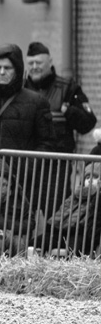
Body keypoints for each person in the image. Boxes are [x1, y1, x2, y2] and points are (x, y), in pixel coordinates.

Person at [24, 41, 97, 217]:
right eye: (31, 63)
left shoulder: (68, 88)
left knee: (54, 212)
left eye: (39, 63)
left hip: (56, 167)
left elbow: (88, 122)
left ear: (50, 62)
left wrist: (68, 111)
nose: (34, 67)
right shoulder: (21, 89)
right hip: (26, 164)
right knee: (23, 213)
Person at [36, 161, 101, 257]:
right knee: (37, 241)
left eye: (95, 177)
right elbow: (60, 213)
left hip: (79, 235)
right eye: (87, 177)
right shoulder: (75, 195)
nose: (90, 180)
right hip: (61, 232)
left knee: (73, 248)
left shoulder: (98, 198)